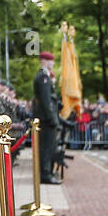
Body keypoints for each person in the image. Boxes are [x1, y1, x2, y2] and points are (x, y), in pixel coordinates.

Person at [33, 51, 62, 184]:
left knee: (48, 147)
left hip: (45, 117)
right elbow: (46, 101)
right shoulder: (43, 77)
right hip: (46, 118)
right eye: (51, 61)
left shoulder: (44, 76)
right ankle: (45, 174)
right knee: (46, 148)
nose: (53, 63)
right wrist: (52, 118)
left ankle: (46, 173)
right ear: (44, 61)